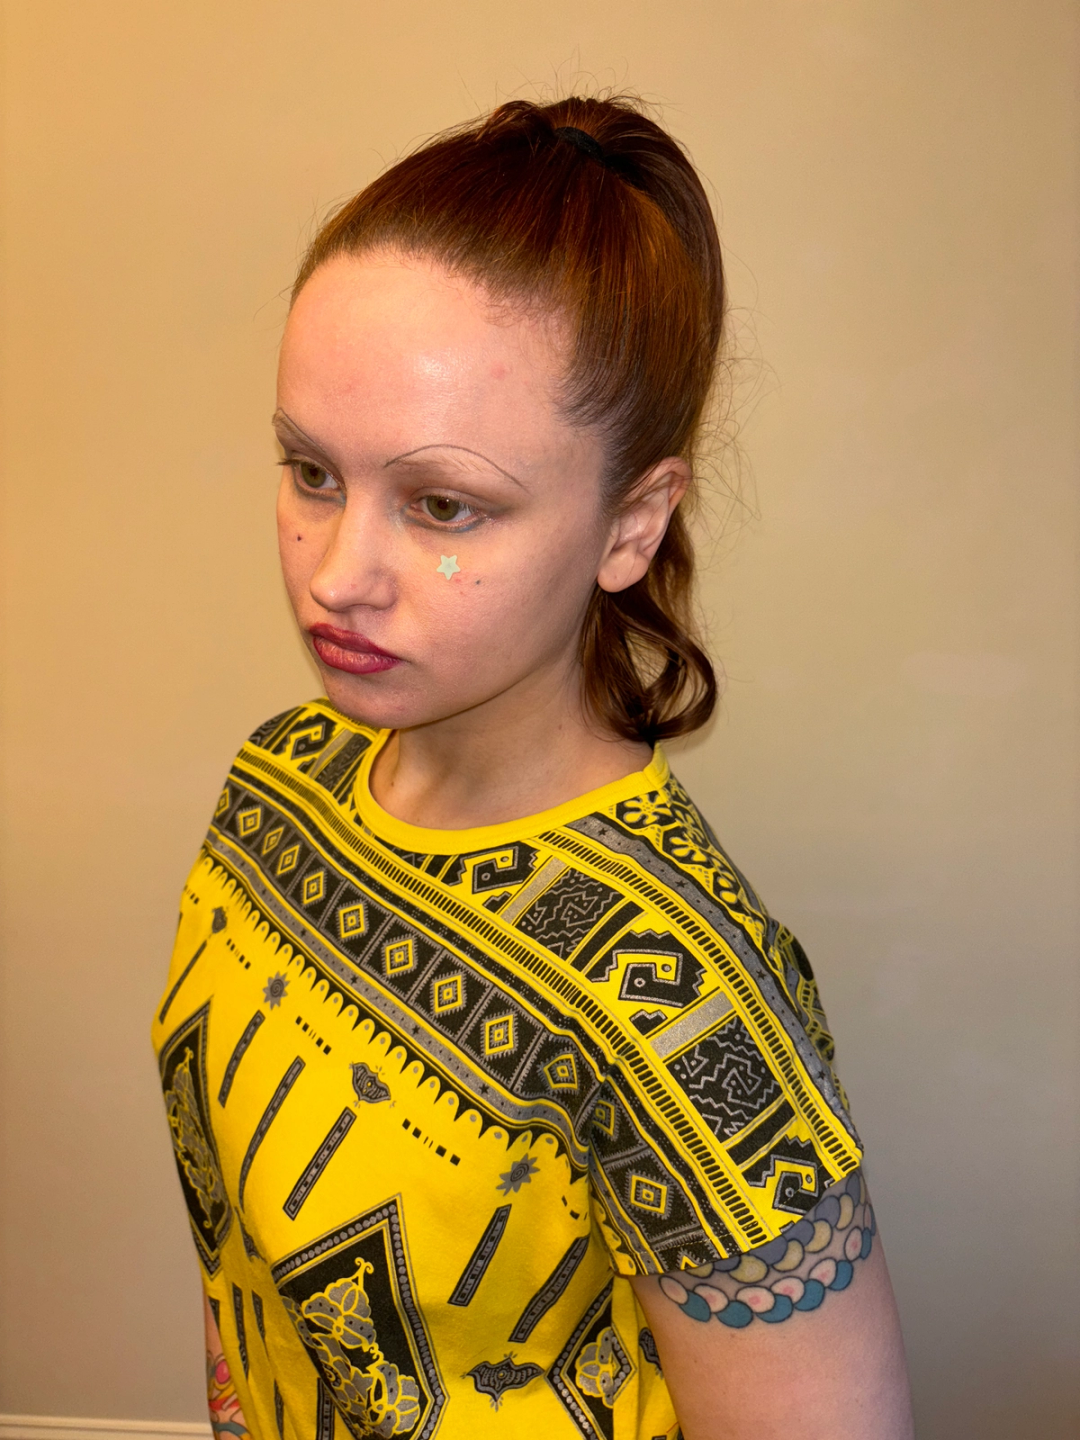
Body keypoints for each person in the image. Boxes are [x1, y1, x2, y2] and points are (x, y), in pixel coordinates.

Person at [152, 95, 913, 1440]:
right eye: (312, 473)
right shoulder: (275, 785)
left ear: (632, 524)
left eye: (443, 504)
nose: (338, 576)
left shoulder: (686, 1016)